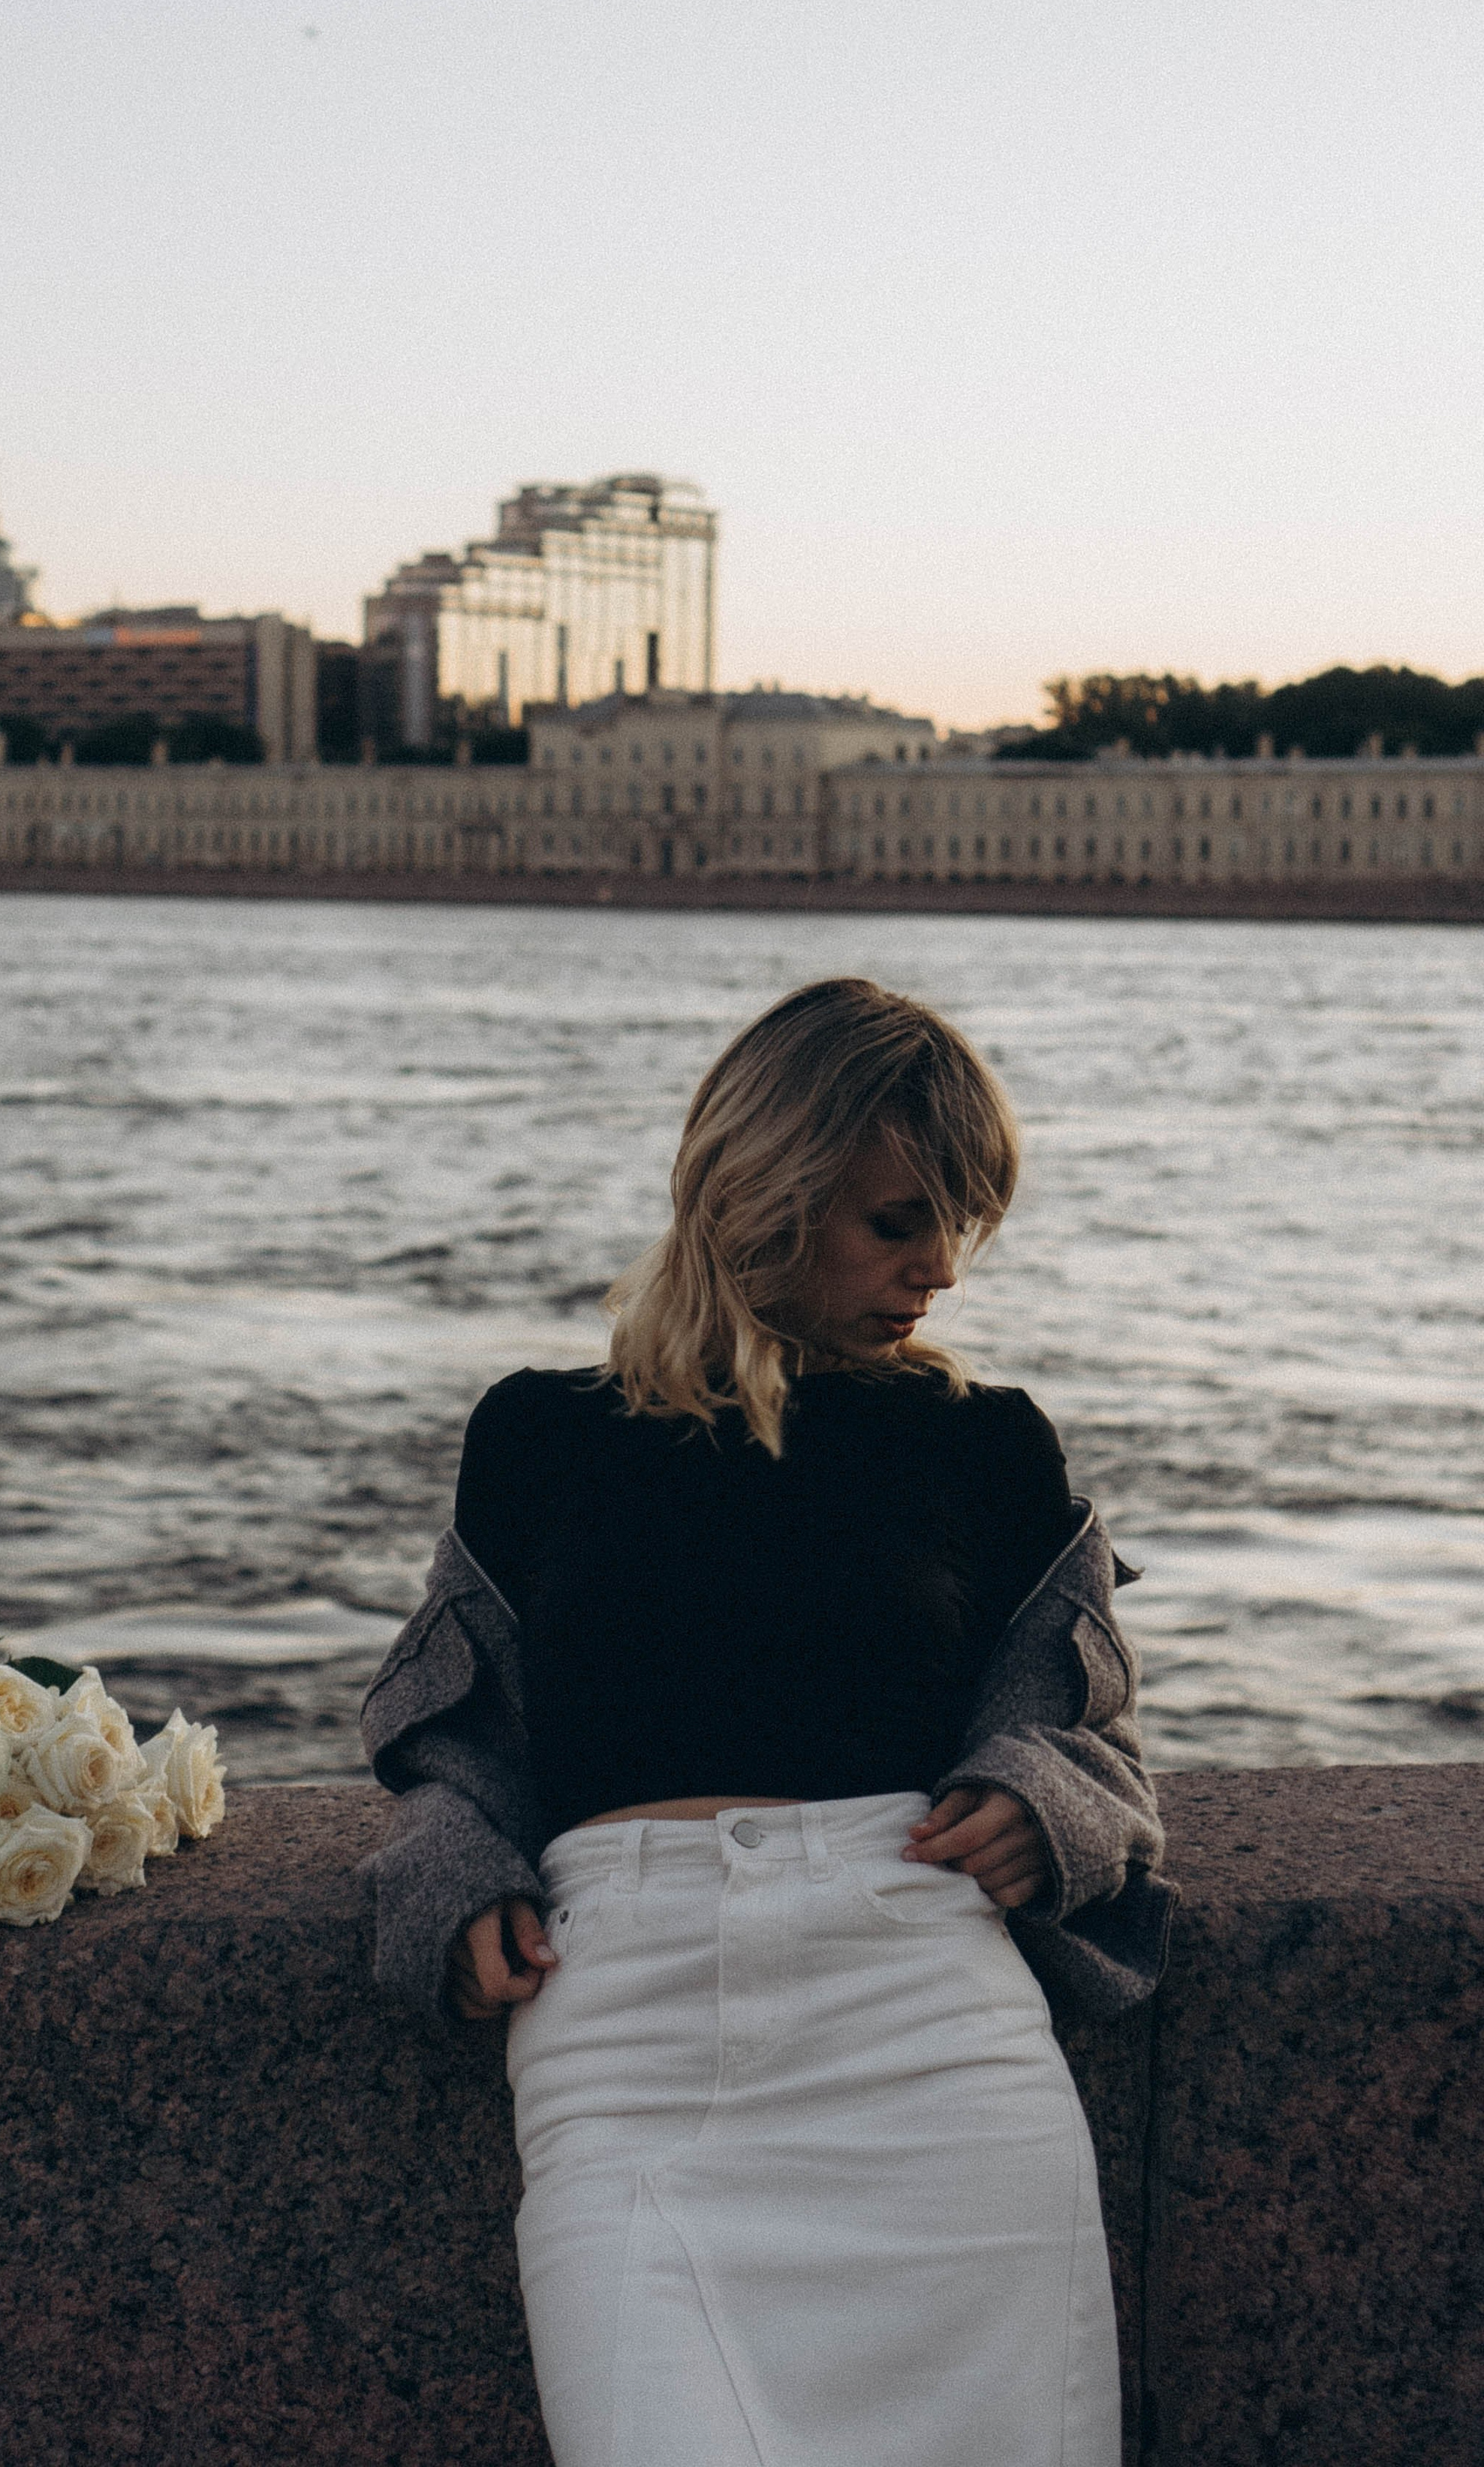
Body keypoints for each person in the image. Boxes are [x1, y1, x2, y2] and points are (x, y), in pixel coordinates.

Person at [362, 977, 1172, 2467]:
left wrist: (1030, 1800)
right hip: (620, 2026)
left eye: (958, 1226)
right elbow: (453, 1731)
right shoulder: (536, 1436)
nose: (935, 1267)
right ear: (763, 1187)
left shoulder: (987, 1447)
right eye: (895, 1220)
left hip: (924, 2018)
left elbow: (1081, 1727)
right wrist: (454, 1871)